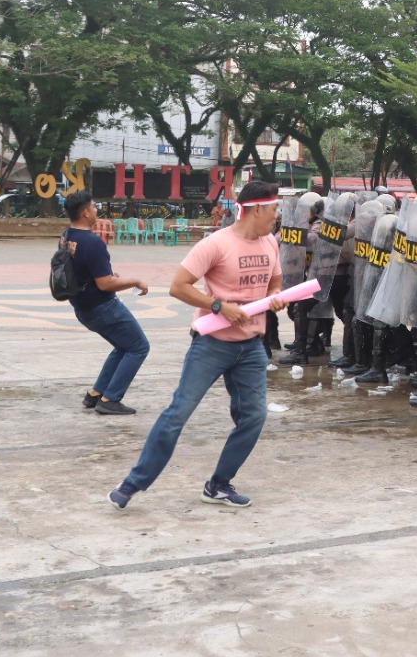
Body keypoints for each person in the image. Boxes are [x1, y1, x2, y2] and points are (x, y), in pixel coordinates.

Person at [108, 180, 285, 510]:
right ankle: (133, 483)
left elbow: (275, 281)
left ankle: (219, 484)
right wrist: (218, 305)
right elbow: (178, 286)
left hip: (251, 347)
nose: (277, 216)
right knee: (178, 414)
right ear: (257, 208)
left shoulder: (271, 243)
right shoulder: (216, 244)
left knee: (254, 416)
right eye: (275, 209)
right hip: (212, 344)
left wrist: (276, 296)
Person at [64, 189, 151, 416]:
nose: (96, 211)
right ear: (85, 213)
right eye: (93, 207)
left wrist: (107, 274)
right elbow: (104, 284)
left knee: (124, 346)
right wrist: (136, 281)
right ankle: (110, 399)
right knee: (139, 347)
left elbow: (82, 271)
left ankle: (96, 394)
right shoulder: (93, 242)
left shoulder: (66, 236)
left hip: (83, 307)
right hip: (103, 307)